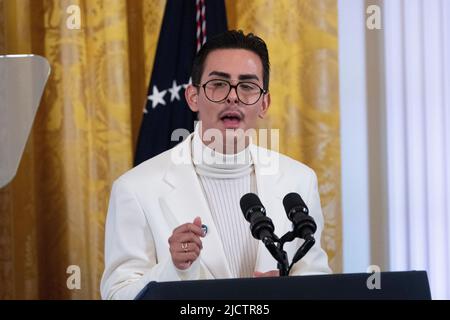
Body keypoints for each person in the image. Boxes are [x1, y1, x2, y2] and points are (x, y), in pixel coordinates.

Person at [100, 30, 331, 300]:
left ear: (264, 103)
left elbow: (317, 281)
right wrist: (172, 270)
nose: (233, 97)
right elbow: (117, 294)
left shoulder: (299, 181)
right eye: (219, 84)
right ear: (193, 97)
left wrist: (287, 293)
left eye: (247, 86)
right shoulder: (135, 188)